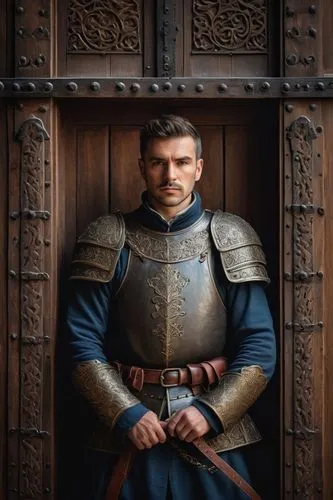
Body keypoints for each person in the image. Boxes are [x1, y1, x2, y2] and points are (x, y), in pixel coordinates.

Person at [66, 114, 276, 499]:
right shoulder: (108, 237)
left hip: (214, 436)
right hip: (125, 436)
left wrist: (211, 413)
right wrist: (127, 414)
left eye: (181, 162)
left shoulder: (229, 236)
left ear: (198, 167)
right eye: (159, 162)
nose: (170, 174)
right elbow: (81, 344)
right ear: (142, 167)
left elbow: (259, 348)